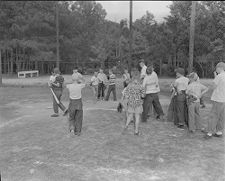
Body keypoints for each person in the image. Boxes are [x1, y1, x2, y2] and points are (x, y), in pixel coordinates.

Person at [204, 62, 225, 139]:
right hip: (223, 99)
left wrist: (215, 77)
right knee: (221, 116)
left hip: (218, 99)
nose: (216, 69)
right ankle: (219, 132)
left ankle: (209, 133)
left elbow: (213, 86)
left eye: (216, 68)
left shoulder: (219, 76)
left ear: (220, 68)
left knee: (213, 116)